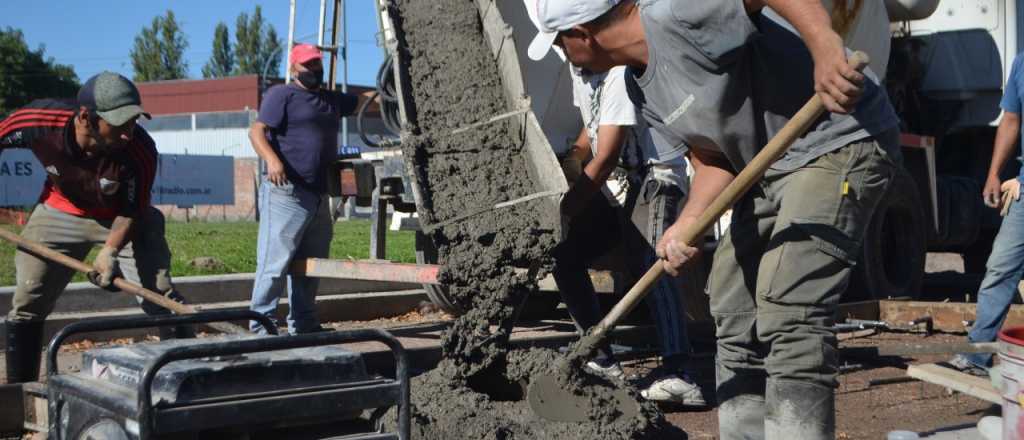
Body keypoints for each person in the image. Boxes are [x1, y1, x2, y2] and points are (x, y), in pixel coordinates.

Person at [528, 0, 900, 438]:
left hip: (835, 141)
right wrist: (687, 222)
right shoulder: (639, 87)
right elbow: (712, 162)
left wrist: (824, 46)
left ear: (582, 34)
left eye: (559, 44)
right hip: (767, 166)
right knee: (732, 303)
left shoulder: (678, 16)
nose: (565, 57)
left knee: (790, 305)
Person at [0, 72, 190, 384]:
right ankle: (20, 393)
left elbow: (132, 211)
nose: (129, 132)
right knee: (27, 299)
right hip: (60, 209)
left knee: (159, 294)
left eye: (133, 121)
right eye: (119, 124)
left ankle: (188, 377)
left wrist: (109, 252)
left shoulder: (139, 149)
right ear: (86, 117)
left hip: (121, 219)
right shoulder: (37, 122)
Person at [547, 59, 706, 405]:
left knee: (652, 260)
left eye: (562, 39)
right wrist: (569, 162)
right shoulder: (580, 70)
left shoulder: (617, 74)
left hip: (655, 176)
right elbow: (591, 131)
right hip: (619, 185)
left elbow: (606, 155)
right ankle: (600, 358)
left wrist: (565, 208)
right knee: (564, 254)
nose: (561, 49)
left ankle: (680, 374)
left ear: (585, 33)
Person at [248, 44, 376, 334]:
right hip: (287, 193)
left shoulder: (330, 100)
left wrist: (387, 87)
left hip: (319, 195)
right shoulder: (281, 95)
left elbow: (364, 101)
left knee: (311, 265)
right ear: (294, 69)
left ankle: (304, 323)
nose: (314, 70)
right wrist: (272, 160)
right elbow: (256, 131)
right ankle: (261, 327)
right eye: (308, 66)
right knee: (274, 264)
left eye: (317, 64)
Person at [949, 52, 1024, 376]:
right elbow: (1010, 118)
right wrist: (994, 172)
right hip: (1023, 188)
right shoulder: (1022, 63)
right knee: (999, 269)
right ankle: (977, 354)